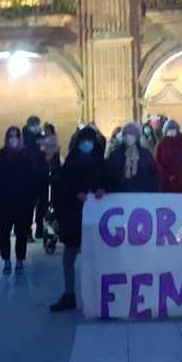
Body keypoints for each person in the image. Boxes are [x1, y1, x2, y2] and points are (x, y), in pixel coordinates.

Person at [50, 126, 109, 312]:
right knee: (69, 258)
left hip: (95, 217)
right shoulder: (72, 160)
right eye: (84, 141)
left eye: (90, 141)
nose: (87, 144)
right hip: (73, 216)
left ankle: (96, 295)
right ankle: (69, 294)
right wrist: (75, 194)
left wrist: (103, 190)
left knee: (93, 259)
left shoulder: (100, 162)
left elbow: (109, 182)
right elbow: (62, 186)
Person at [0, 126, 38, 273]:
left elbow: (34, 178)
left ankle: (20, 259)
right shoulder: (0, 155)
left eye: (16, 136)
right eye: (10, 136)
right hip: (4, 202)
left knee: (21, 233)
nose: (13, 139)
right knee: (3, 232)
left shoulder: (27, 156)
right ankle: (6, 259)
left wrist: (31, 198)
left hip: (23, 202)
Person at [106, 122, 158, 193]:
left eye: (132, 134)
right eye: (126, 133)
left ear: (137, 136)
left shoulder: (145, 154)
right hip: (121, 194)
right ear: (123, 136)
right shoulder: (115, 155)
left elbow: (153, 174)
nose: (129, 136)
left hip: (143, 194)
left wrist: (154, 191)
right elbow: (109, 176)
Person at [22, 115, 46, 241]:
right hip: (29, 177)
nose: (37, 127)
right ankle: (27, 231)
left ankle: (39, 229)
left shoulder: (42, 138)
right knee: (29, 206)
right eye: (35, 125)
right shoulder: (24, 140)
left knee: (42, 204)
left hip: (42, 175)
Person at [154, 119, 182, 193]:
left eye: (173, 129)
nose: (171, 131)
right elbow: (157, 161)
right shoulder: (161, 144)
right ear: (165, 131)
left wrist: (179, 175)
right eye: (169, 129)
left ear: (177, 130)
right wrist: (168, 175)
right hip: (166, 181)